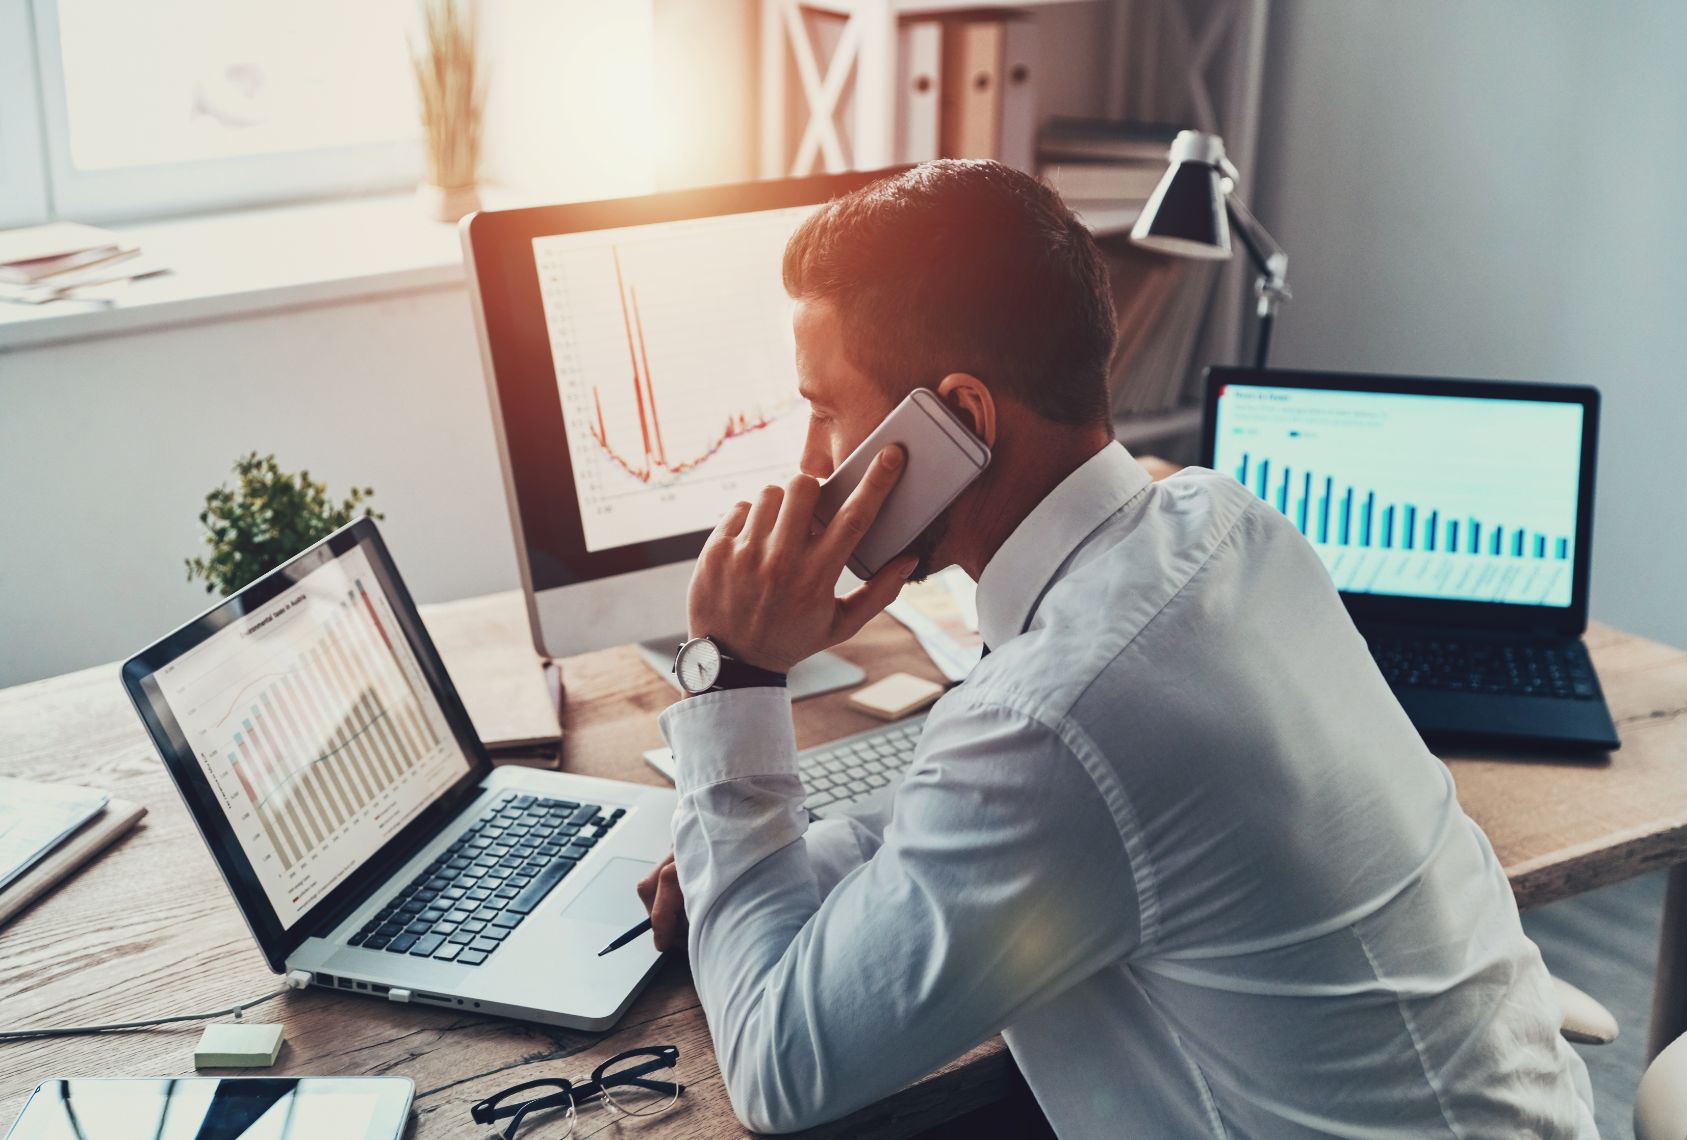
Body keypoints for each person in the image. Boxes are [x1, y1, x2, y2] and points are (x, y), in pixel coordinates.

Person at [637, 160, 1598, 1138]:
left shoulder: (1058, 715)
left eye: (827, 410)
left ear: (960, 422)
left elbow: (773, 1066)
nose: (810, 463)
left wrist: (736, 673)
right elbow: (1003, 804)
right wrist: (760, 865)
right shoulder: (1225, 523)